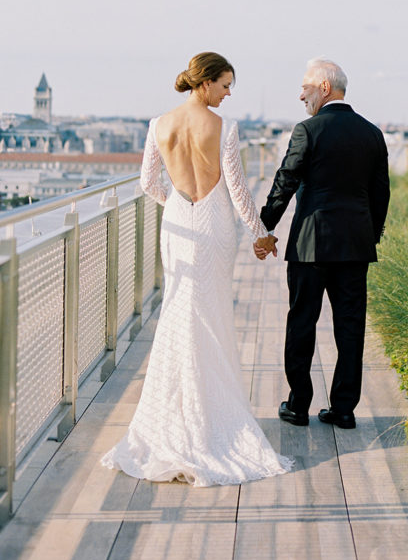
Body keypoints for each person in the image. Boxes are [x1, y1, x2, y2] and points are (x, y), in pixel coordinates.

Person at [101, 52, 290, 486]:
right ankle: (210, 416)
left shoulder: (159, 125)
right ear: (205, 83)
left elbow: (148, 183)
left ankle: (174, 416)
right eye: (224, 85)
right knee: (211, 315)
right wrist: (261, 234)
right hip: (214, 224)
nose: (227, 94)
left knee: (178, 311)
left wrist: (177, 205)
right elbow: (238, 190)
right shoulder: (224, 128)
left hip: (178, 224)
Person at [257, 58, 390, 430]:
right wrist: (368, 235)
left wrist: (263, 228)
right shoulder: (372, 134)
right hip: (355, 248)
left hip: (310, 245)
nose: (301, 95)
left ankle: (299, 405)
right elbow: (381, 194)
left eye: (305, 87)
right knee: (351, 328)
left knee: (302, 322)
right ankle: (344, 409)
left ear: (325, 88)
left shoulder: (308, 130)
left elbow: (285, 181)